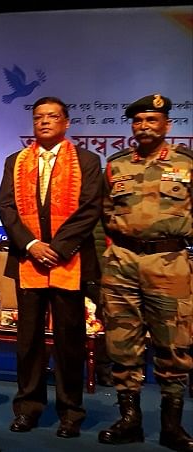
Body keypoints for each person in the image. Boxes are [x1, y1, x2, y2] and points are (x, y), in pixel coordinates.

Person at [0, 96, 102, 438]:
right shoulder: (16, 161)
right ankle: (28, 408)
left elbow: (89, 209)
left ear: (66, 122)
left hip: (68, 261)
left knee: (69, 341)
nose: (44, 122)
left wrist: (55, 249)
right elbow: (6, 208)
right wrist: (31, 245)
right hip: (29, 261)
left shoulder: (86, 160)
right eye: (38, 117)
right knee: (28, 342)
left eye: (52, 116)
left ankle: (70, 411)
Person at [98, 94, 193, 450]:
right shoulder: (117, 165)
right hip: (122, 262)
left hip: (169, 263)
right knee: (122, 344)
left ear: (166, 124)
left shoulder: (186, 164)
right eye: (139, 121)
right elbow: (103, 214)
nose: (145, 127)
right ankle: (129, 421)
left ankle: (172, 426)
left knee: (174, 345)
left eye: (152, 120)